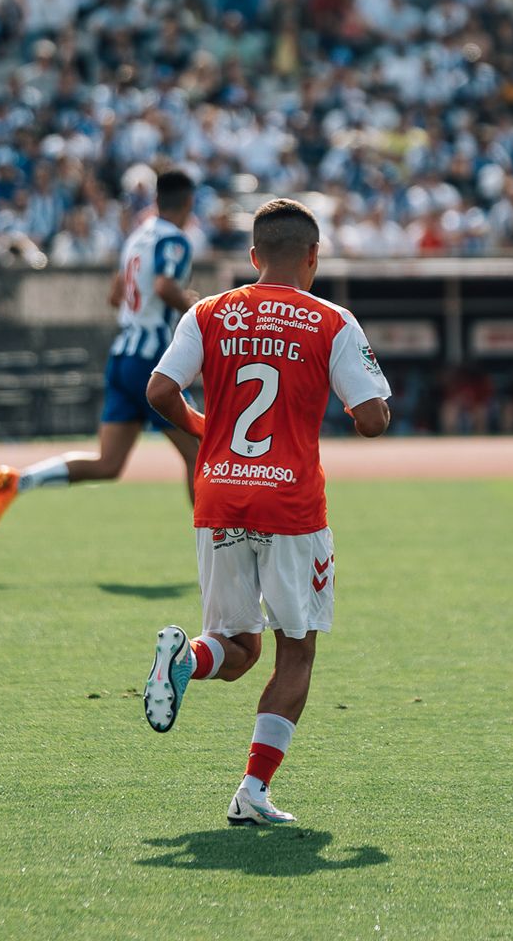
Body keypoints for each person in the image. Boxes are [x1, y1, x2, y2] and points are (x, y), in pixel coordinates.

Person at [141, 198, 393, 827]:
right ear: (313, 257)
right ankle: (252, 790)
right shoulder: (332, 321)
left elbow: (159, 391)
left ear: (253, 257)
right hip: (292, 506)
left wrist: (208, 432)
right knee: (295, 653)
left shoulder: (207, 313)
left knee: (235, 648)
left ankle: (186, 660)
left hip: (221, 493)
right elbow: (371, 420)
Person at [0, 170, 201, 528]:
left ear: (157, 200)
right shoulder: (175, 240)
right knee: (201, 452)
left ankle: (20, 480)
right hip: (150, 361)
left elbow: (115, 296)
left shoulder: (136, 237)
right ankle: (215, 546)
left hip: (122, 356)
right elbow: (163, 286)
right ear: (189, 203)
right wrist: (193, 306)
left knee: (108, 464)